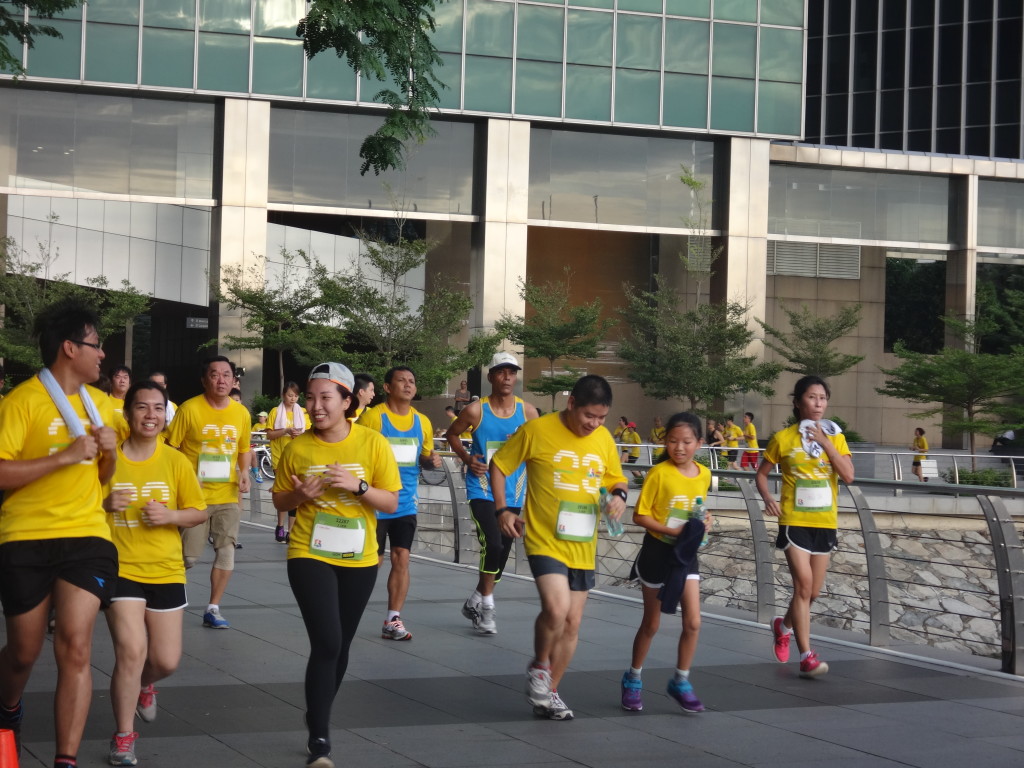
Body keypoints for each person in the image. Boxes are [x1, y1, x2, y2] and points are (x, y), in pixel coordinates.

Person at [0, 298, 118, 768]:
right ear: (69, 348)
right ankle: (8, 707)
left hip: (87, 535)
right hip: (25, 535)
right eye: (96, 345)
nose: (103, 354)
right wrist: (64, 456)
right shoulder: (22, 401)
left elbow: (102, 477)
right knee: (25, 651)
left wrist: (107, 454)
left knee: (76, 644)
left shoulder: (102, 405)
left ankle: (65, 761)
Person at [272, 362, 401, 768]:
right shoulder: (297, 448)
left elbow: (391, 502)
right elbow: (280, 500)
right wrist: (299, 498)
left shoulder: (372, 443)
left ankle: (318, 709)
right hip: (309, 552)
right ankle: (321, 741)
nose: (315, 406)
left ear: (348, 401)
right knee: (326, 641)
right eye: (310, 398)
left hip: (360, 556)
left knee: (341, 645)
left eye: (325, 397)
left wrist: (359, 487)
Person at [491, 375, 628, 720]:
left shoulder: (603, 439)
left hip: (583, 542)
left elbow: (616, 477)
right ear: (571, 404)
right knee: (556, 609)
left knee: (572, 623)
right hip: (544, 538)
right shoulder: (538, 431)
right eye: (588, 416)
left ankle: (550, 691)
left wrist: (619, 497)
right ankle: (540, 666)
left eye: (601, 418)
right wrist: (502, 509)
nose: (594, 424)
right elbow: (500, 465)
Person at [103, 381, 207, 766]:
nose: (151, 415)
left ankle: (147, 684)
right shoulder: (108, 458)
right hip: (120, 568)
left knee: (166, 661)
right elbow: (78, 505)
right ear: (128, 413)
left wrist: (171, 516)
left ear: (166, 416)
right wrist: (103, 503)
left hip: (165, 570)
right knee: (131, 651)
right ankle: (123, 737)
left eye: (158, 408)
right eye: (142, 407)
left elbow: (198, 511)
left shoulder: (177, 461)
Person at [755, 375, 854, 679]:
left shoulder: (835, 436)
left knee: (813, 593)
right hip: (794, 520)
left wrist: (825, 443)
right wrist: (769, 498)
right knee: (802, 587)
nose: (818, 403)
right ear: (798, 402)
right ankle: (806, 656)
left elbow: (849, 475)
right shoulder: (783, 439)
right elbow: (761, 475)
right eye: (812, 397)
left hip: (824, 522)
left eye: (823, 398)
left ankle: (783, 627)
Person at [621, 412, 712, 714]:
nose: (679, 447)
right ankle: (633, 678)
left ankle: (681, 681)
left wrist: (706, 521)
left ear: (699, 443)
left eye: (687, 442)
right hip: (657, 553)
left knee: (694, 622)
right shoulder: (659, 473)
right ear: (665, 441)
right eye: (673, 441)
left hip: (686, 555)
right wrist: (670, 530)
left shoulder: (704, 474)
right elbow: (639, 515)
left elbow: (698, 508)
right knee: (652, 623)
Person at [446, 352, 539, 635]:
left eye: (512, 372)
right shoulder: (476, 410)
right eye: (501, 372)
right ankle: (487, 607)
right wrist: (466, 457)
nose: (507, 377)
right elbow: (452, 434)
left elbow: (538, 450)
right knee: (494, 546)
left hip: (514, 492)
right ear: (491, 377)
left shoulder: (529, 413)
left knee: (503, 552)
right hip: (482, 489)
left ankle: (474, 600)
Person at [165, 356, 252, 630]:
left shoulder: (241, 413)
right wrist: (180, 482)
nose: (222, 380)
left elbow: (244, 448)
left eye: (227, 375)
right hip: (194, 497)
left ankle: (213, 607)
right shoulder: (189, 409)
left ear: (234, 380)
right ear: (205, 380)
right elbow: (171, 447)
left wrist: (245, 473)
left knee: (226, 550)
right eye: (215, 375)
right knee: (188, 558)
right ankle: (167, 596)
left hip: (226, 494)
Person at [358, 366, 442, 641]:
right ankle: (350, 605)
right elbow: (358, 455)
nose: (408, 385)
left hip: (405, 503)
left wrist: (431, 460)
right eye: (401, 381)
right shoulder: (373, 419)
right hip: (375, 503)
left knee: (402, 558)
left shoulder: (423, 422)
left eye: (412, 381)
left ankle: (393, 618)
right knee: (374, 561)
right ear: (387, 387)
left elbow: (424, 456)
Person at [266, 382, 311, 543]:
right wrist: (285, 430)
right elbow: (269, 435)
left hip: (298, 458)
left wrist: (298, 435)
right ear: (283, 396)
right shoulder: (275, 412)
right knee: (283, 491)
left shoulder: (303, 413)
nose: (293, 399)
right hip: (280, 458)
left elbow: (309, 434)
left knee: (295, 491)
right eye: (290, 395)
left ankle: (291, 531)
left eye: (296, 396)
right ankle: (280, 526)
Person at [110, 365, 132, 441]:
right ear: (111, 381)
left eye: (125, 377)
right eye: (118, 377)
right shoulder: (104, 401)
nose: (122, 380)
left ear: (129, 382)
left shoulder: (135, 403)